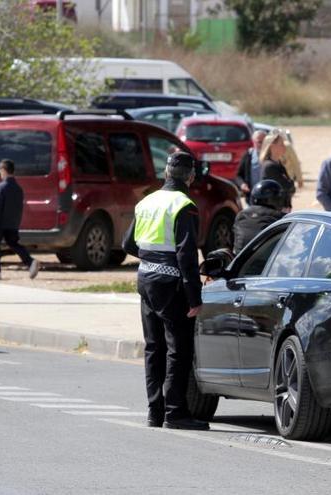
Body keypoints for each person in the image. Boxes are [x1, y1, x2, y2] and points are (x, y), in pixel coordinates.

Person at [122, 151, 209, 431]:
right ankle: (175, 413)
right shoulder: (184, 205)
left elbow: (127, 244)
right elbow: (186, 255)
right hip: (170, 282)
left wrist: (150, 257)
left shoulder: (147, 201)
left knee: (153, 347)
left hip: (145, 278)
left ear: (166, 174)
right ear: (191, 176)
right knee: (178, 350)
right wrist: (194, 296)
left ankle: (154, 411)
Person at [0, 159, 40, 281]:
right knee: (14, 244)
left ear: (3, 170)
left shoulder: (0, 187)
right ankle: (30, 262)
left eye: (0, 171)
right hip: (13, 223)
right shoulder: (18, 188)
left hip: (0, 223)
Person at [232, 179, 286, 253]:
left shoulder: (241, 215)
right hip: (264, 262)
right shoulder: (280, 218)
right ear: (275, 199)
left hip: (239, 261)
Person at [259, 129, 295, 210]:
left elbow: (290, 188)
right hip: (274, 210)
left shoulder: (278, 163)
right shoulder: (270, 166)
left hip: (282, 208)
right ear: (272, 146)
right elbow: (287, 186)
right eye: (281, 144)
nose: (284, 146)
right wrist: (290, 183)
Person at [234, 130, 266, 204]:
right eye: (260, 142)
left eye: (265, 142)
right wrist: (242, 184)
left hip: (269, 196)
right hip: (252, 196)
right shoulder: (248, 155)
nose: (262, 145)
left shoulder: (272, 156)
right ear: (253, 142)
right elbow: (238, 176)